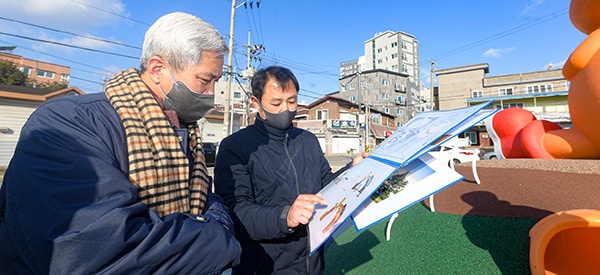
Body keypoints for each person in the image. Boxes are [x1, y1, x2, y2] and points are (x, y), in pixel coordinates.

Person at [0, 12, 240, 274]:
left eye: (215, 82)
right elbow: (94, 251)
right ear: (158, 69)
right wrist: (219, 234)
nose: (211, 94)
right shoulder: (68, 122)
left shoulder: (184, 129)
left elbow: (204, 195)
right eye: (204, 80)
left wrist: (211, 221)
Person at [214, 66, 367, 274]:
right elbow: (235, 211)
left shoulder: (308, 141)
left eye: (292, 101)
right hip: (264, 266)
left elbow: (326, 186)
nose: (285, 109)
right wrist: (285, 216)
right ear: (256, 103)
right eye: (276, 103)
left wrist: (352, 169)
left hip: (311, 263)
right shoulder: (236, 146)